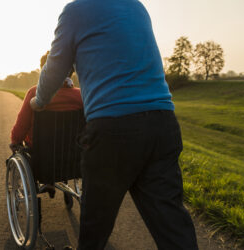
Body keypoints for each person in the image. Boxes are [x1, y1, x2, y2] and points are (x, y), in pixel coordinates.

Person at [30, 1, 199, 249]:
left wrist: (39, 101)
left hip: (113, 129)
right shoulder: (137, 7)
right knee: (171, 224)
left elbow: (55, 67)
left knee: (95, 227)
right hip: (162, 123)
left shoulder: (76, 11)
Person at [9, 51, 83, 152]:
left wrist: (15, 141)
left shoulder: (34, 93)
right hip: (73, 156)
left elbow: (20, 129)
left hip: (39, 154)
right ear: (71, 71)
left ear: (44, 70)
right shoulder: (82, 95)